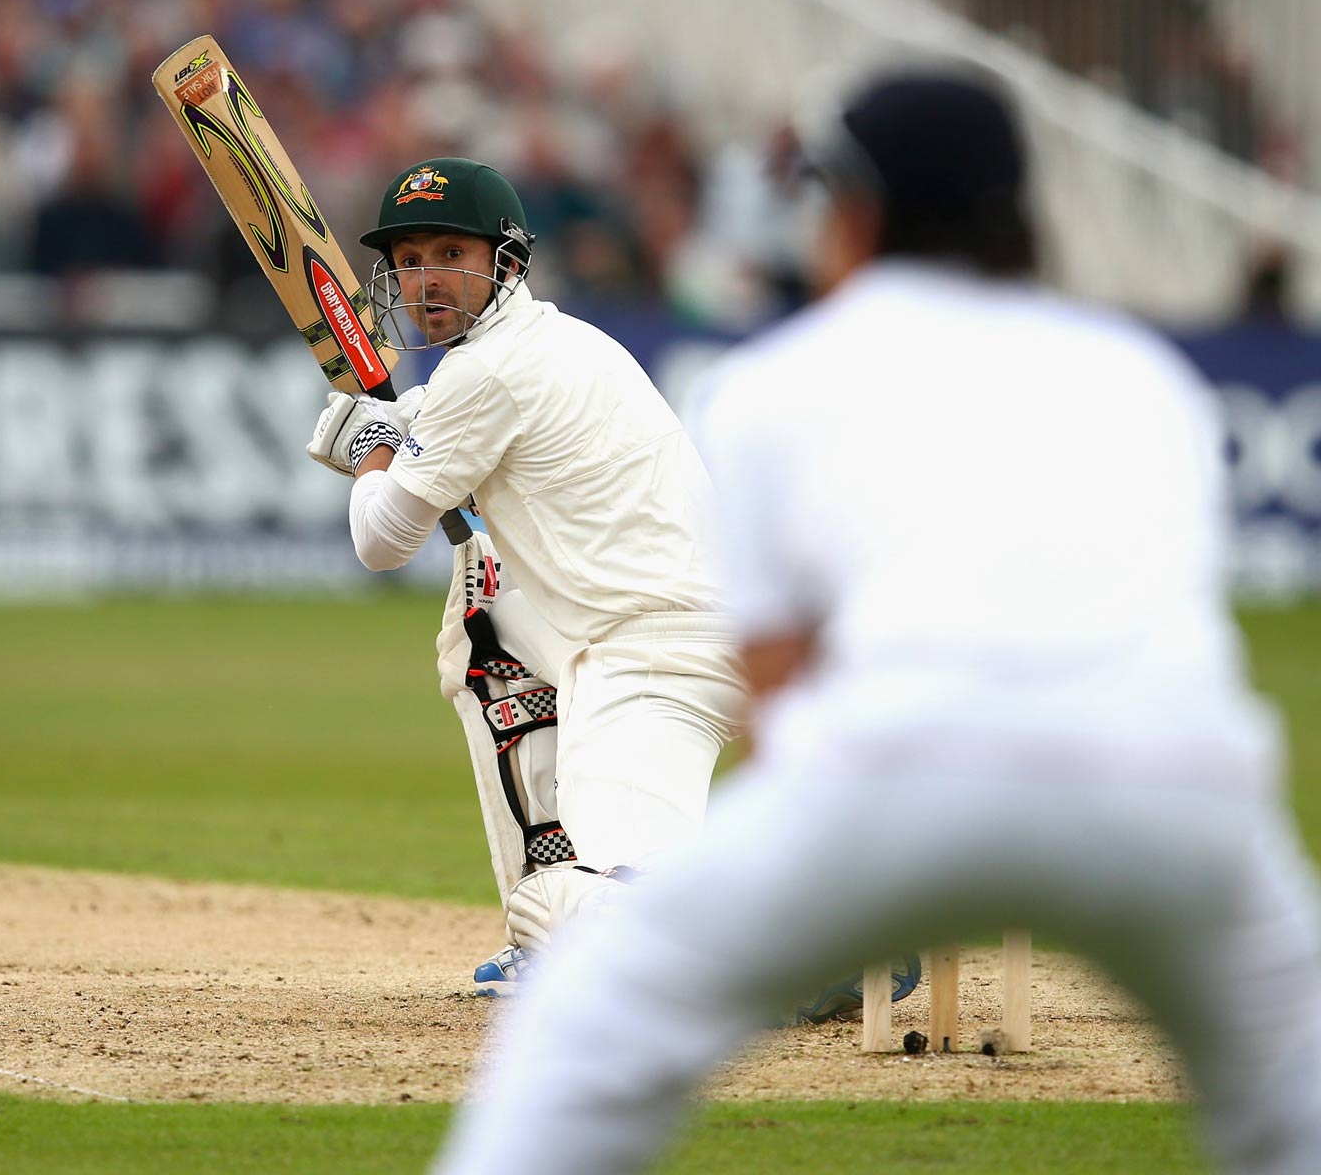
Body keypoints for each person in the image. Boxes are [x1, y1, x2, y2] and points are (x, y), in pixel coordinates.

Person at [431, 68, 1321, 1175]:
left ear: (857, 211)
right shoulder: (1145, 377)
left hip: (895, 778)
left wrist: (817, 905)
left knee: (582, 1024)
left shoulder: (768, 386)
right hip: (1184, 804)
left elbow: (777, 690)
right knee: (1296, 1097)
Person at [305, 155, 749, 992]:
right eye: (406, 260)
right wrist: (395, 441)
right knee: (483, 615)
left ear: (504, 261)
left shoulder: (486, 371)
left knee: (601, 918)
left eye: (448, 253)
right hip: (650, 627)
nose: (425, 279)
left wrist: (370, 454)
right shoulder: (546, 342)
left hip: (656, 655)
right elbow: (450, 468)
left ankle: (815, 944)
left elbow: (380, 542)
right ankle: (566, 895)